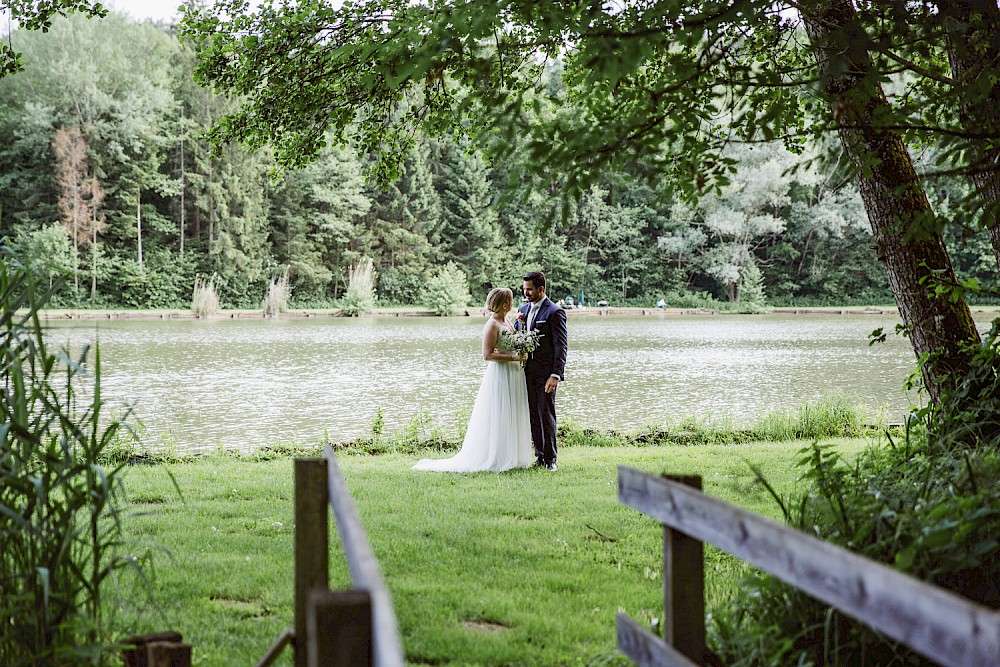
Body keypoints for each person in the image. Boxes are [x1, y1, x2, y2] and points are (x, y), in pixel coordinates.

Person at [413, 287, 534, 473]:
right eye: (509, 300)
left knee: (512, 412)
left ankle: (513, 456)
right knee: (500, 413)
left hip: (514, 374)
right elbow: (487, 355)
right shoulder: (492, 324)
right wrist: (515, 358)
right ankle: (496, 457)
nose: (512, 303)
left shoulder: (508, 320)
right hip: (501, 374)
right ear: (504, 304)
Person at [516, 271, 568, 471]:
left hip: (546, 375)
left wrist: (556, 375)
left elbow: (561, 347)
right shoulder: (522, 310)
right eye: (524, 289)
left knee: (546, 414)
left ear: (541, 289)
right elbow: (517, 336)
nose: (526, 292)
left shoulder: (554, 312)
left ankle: (550, 460)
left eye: (529, 289)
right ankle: (539, 456)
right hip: (526, 374)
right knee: (533, 415)